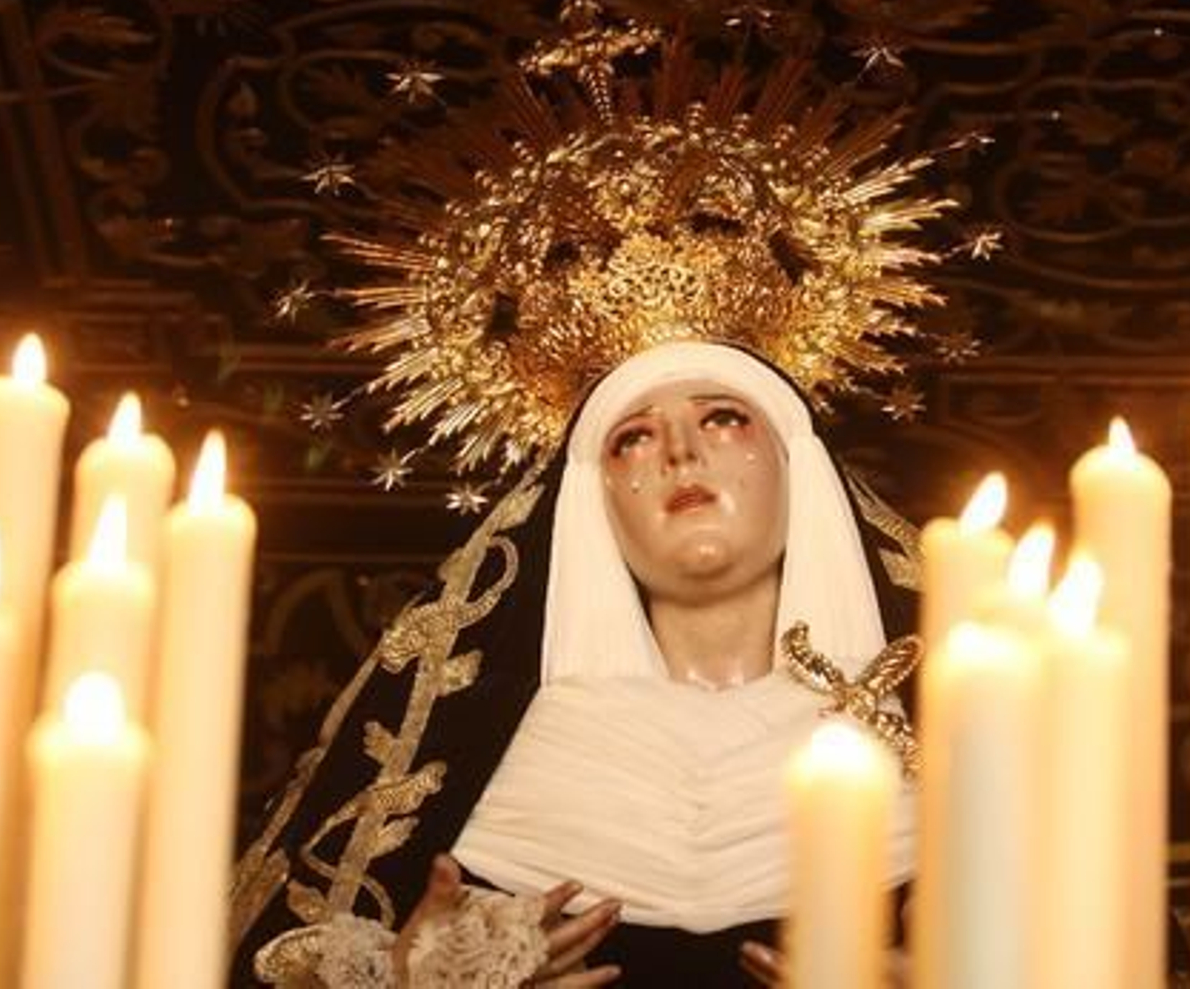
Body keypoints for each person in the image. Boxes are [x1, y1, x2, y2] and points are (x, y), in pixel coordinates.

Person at [231, 341, 926, 987]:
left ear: (796, 464)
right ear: (590, 508)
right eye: (634, 438)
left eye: (722, 419)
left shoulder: (940, 739)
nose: (680, 455)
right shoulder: (481, 760)